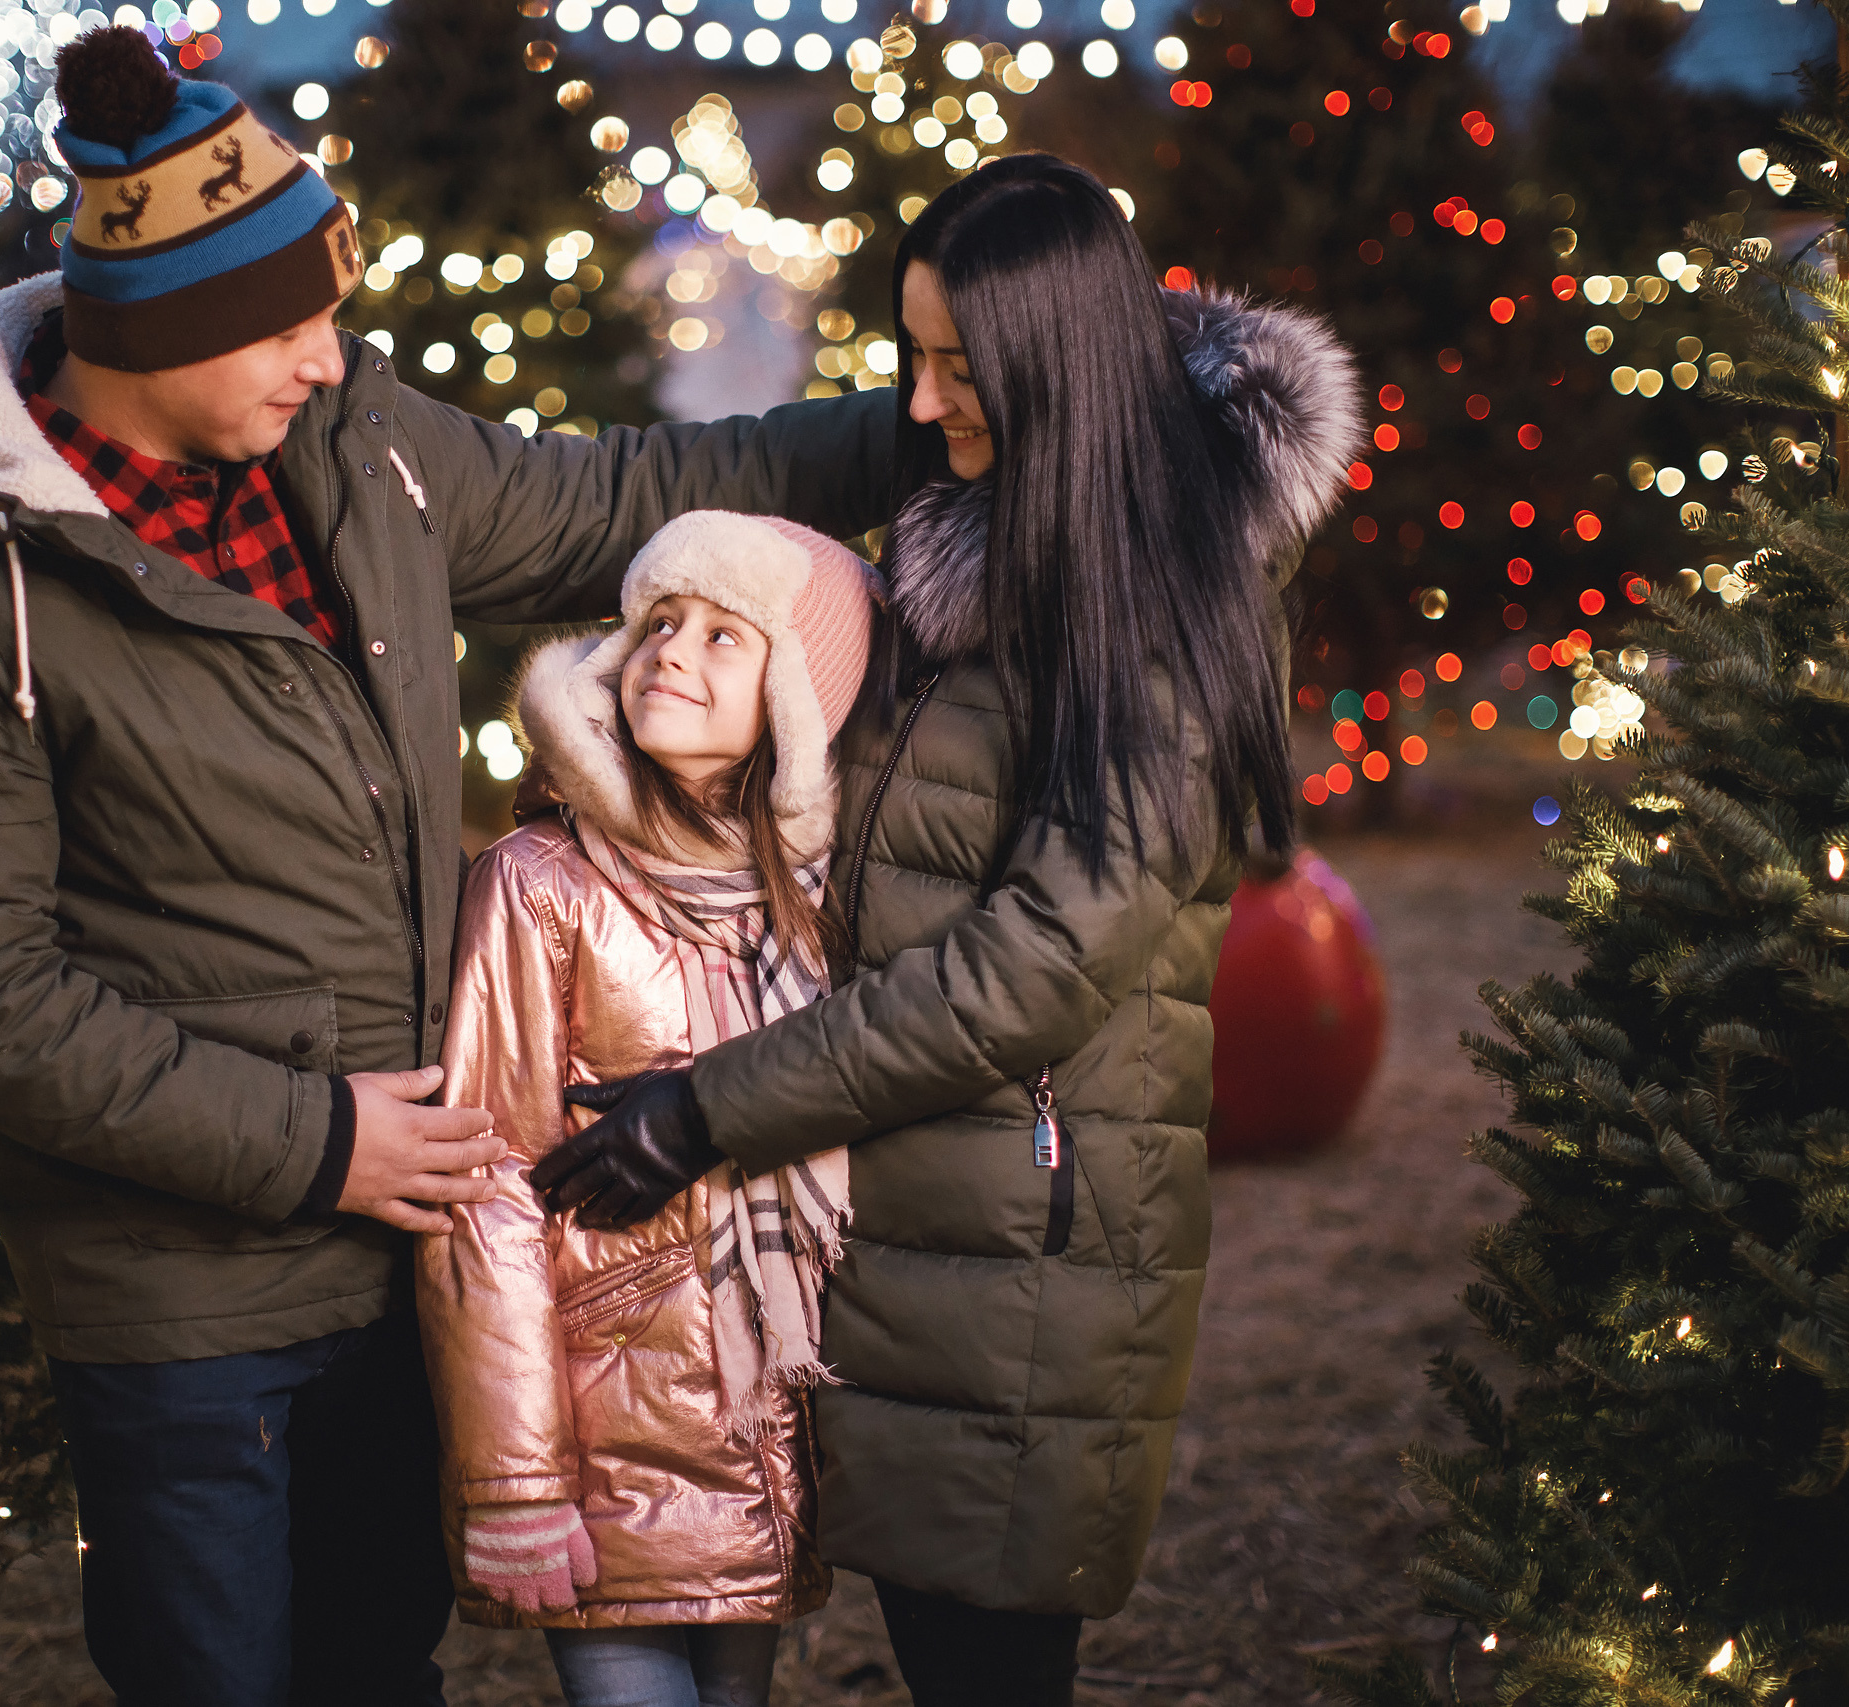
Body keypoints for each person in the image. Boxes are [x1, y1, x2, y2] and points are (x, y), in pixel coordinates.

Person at [0, 26, 892, 1705]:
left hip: (407, 1256)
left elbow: (643, 487)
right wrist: (314, 1138)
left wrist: (937, 428)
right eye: (291, 322)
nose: (331, 356)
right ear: (157, 333)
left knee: (378, 1668)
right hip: (186, 1307)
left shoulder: (364, 459)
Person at [530, 154, 1362, 1705]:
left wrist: (710, 1107)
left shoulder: (1168, 598)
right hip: (913, 1206)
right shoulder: (975, 523)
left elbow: (1036, 964)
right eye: (909, 354)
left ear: (1054, 365)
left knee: (983, 1662)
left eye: (957, 366)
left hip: (1025, 1244)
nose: (917, 404)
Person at [417, 511, 876, 1707]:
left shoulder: (805, 900)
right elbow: (489, 1187)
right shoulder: (538, 882)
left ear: (796, 704)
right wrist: (516, 1480)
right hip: (604, 1432)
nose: (672, 649)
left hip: (758, 1423)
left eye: (728, 635)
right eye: (659, 621)